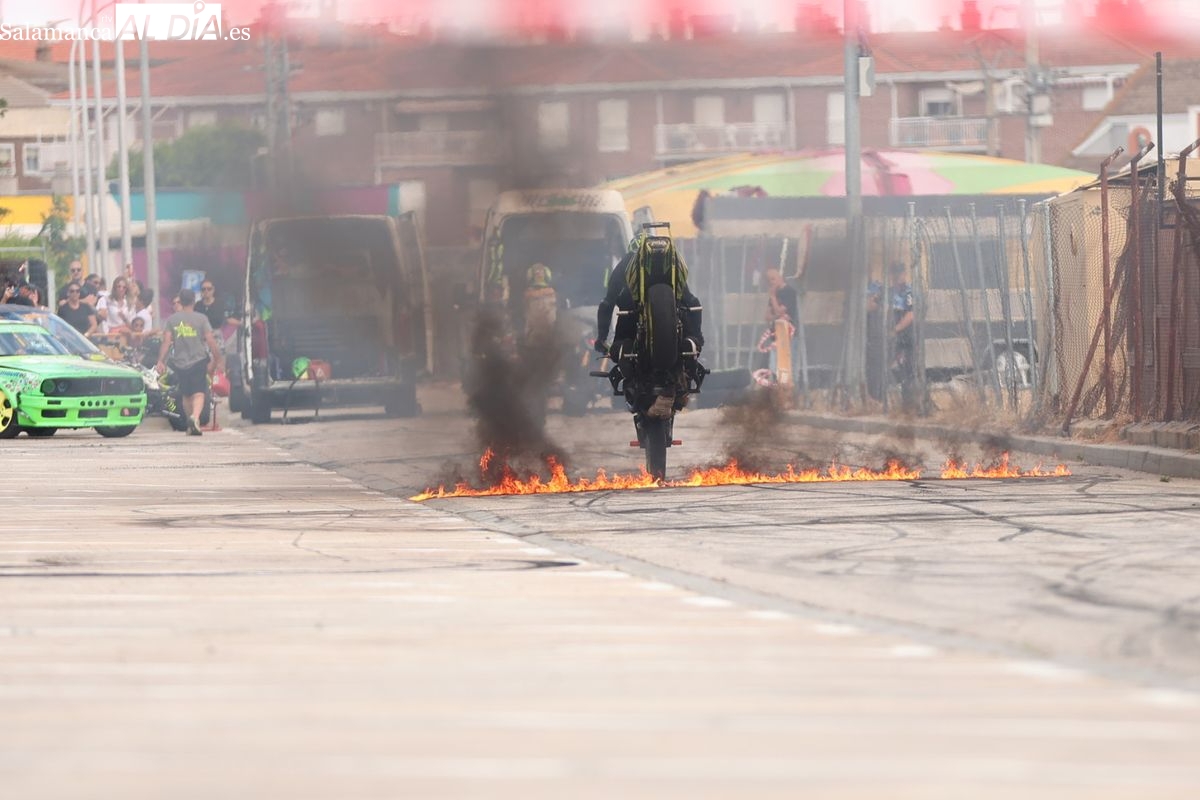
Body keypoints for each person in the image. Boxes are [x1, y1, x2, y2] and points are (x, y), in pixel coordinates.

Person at [595, 231, 703, 419]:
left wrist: (602, 338)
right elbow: (693, 302)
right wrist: (697, 338)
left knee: (620, 348)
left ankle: (642, 381)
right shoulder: (671, 267)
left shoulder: (627, 262)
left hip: (630, 326)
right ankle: (682, 378)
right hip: (679, 327)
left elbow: (607, 303)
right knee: (690, 343)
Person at [157, 288, 223, 437]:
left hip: (180, 362)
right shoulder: (201, 319)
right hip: (198, 360)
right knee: (199, 393)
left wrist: (161, 360)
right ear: (194, 301)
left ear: (180, 300)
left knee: (186, 394)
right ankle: (195, 417)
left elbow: (166, 342)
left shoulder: (172, 320)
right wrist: (218, 358)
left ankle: (189, 421)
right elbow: (211, 340)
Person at [522, 263, 557, 345]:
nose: (538, 274)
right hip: (533, 332)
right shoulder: (529, 293)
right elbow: (529, 295)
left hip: (547, 332)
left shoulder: (551, 292)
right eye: (536, 272)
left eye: (541, 271)